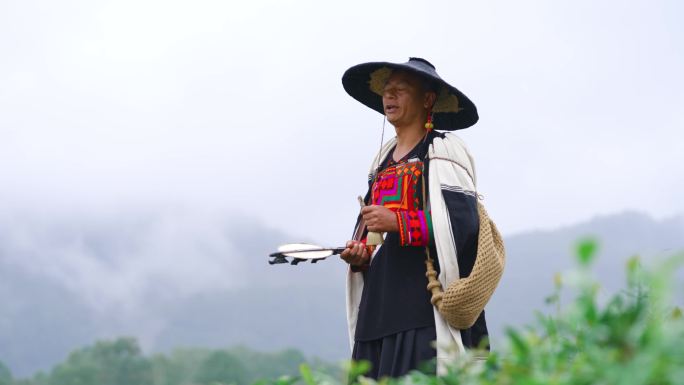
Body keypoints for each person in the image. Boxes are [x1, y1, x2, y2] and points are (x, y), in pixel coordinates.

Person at [339, 57, 489, 379]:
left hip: (422, 306)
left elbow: (463, 227)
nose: (389, 97)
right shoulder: (380, 163)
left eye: (400, 90)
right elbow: (369, 234)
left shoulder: (444, 151)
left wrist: (399, 223)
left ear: (427, 100)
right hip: (379, 307)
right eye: (386, 90)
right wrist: (359, 255)